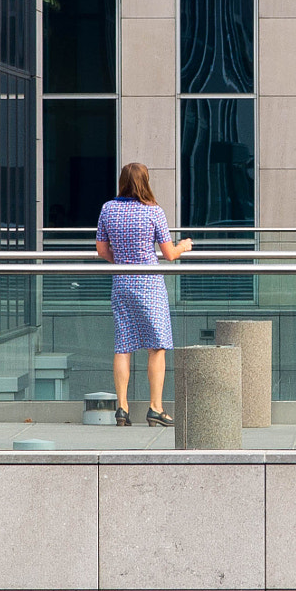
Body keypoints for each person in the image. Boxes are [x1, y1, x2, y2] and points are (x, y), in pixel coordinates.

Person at [95, 163, 192, 426]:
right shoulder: (153, 211)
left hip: (122, 283)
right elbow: (170, 254)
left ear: (122, 182)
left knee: (123, 345)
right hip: (149, 284)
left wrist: (122, 263)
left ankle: (123, 408)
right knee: (156, 346)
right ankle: (155, 407)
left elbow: (102, 250)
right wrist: (184, 246)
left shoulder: (108, 209)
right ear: (145, 182)